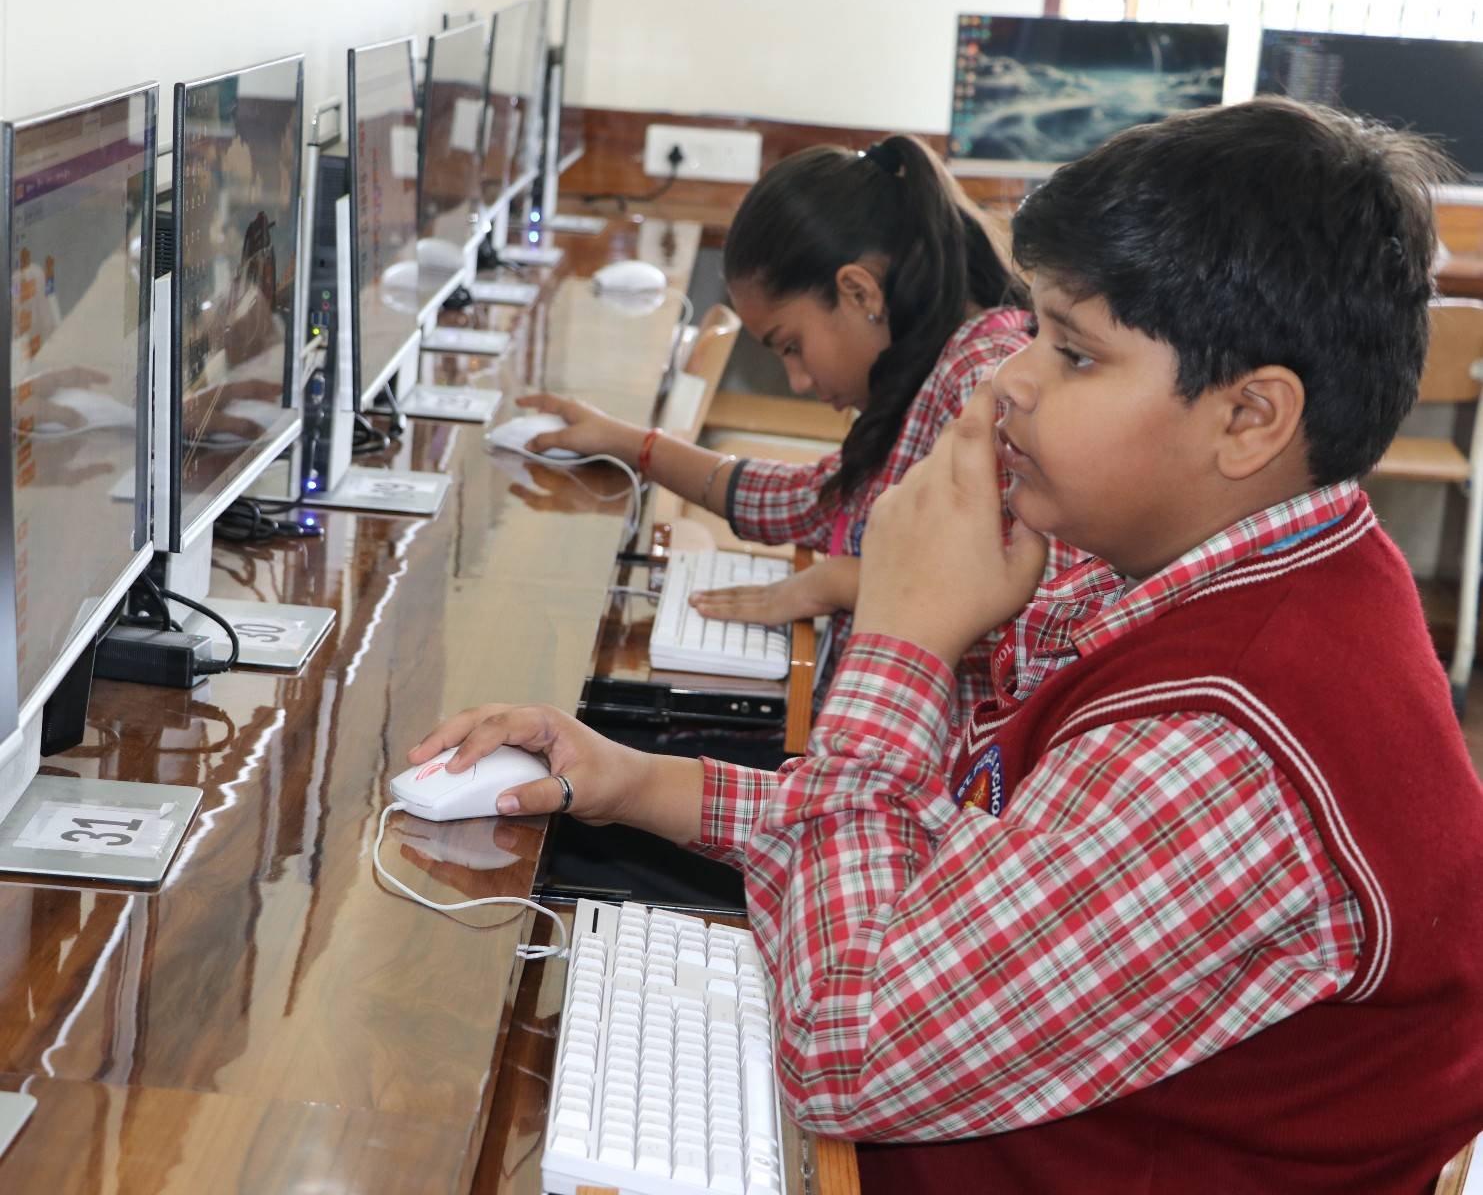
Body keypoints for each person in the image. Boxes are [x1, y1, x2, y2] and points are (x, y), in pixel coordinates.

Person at [412, 98, 1483, 1192]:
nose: (1010, 376)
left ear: (1249, 420)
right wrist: (633, 781)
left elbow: (846, 1052)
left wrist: (901, 641)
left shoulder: (1224, 746)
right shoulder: (1225, 577)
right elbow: (938, 836)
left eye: (1073, 353)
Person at [516, 133, 1076, 730]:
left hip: (937, 752)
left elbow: (1040, 596)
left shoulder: (985, 377)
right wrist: (631, 444)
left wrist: (837, 582)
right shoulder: (935, 365)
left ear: (858, 291)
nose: (799, 380)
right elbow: (817, 501)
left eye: (791, 346)